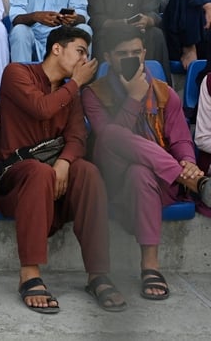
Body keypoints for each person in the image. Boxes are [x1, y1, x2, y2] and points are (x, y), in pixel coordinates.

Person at [0, 26, 128, 313]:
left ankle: (98, 273)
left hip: (55, 177)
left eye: (87, 55)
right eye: (80, 51)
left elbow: (77, 137)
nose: (84, 60)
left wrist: (64, 163)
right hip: (16, 176)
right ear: (56, 49)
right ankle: (29, 274)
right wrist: (75, 84)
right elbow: (41, 108)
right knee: (39, 172)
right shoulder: (17, 73)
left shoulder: (71, 92)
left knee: (87, 171)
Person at [82, 24, 211, 302]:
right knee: (113, 134)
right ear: (108, 57)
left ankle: (150, 266)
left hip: (157, 181)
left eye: (137, 52)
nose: (132, 58)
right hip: (114, 177)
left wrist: (188, 161)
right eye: (123, 53)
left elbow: (180, 141)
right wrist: (133, 98)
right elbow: (108, 141)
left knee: (141, 171)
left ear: (144, 52)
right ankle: (190, 180)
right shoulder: (94, 93)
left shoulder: (165, 93)